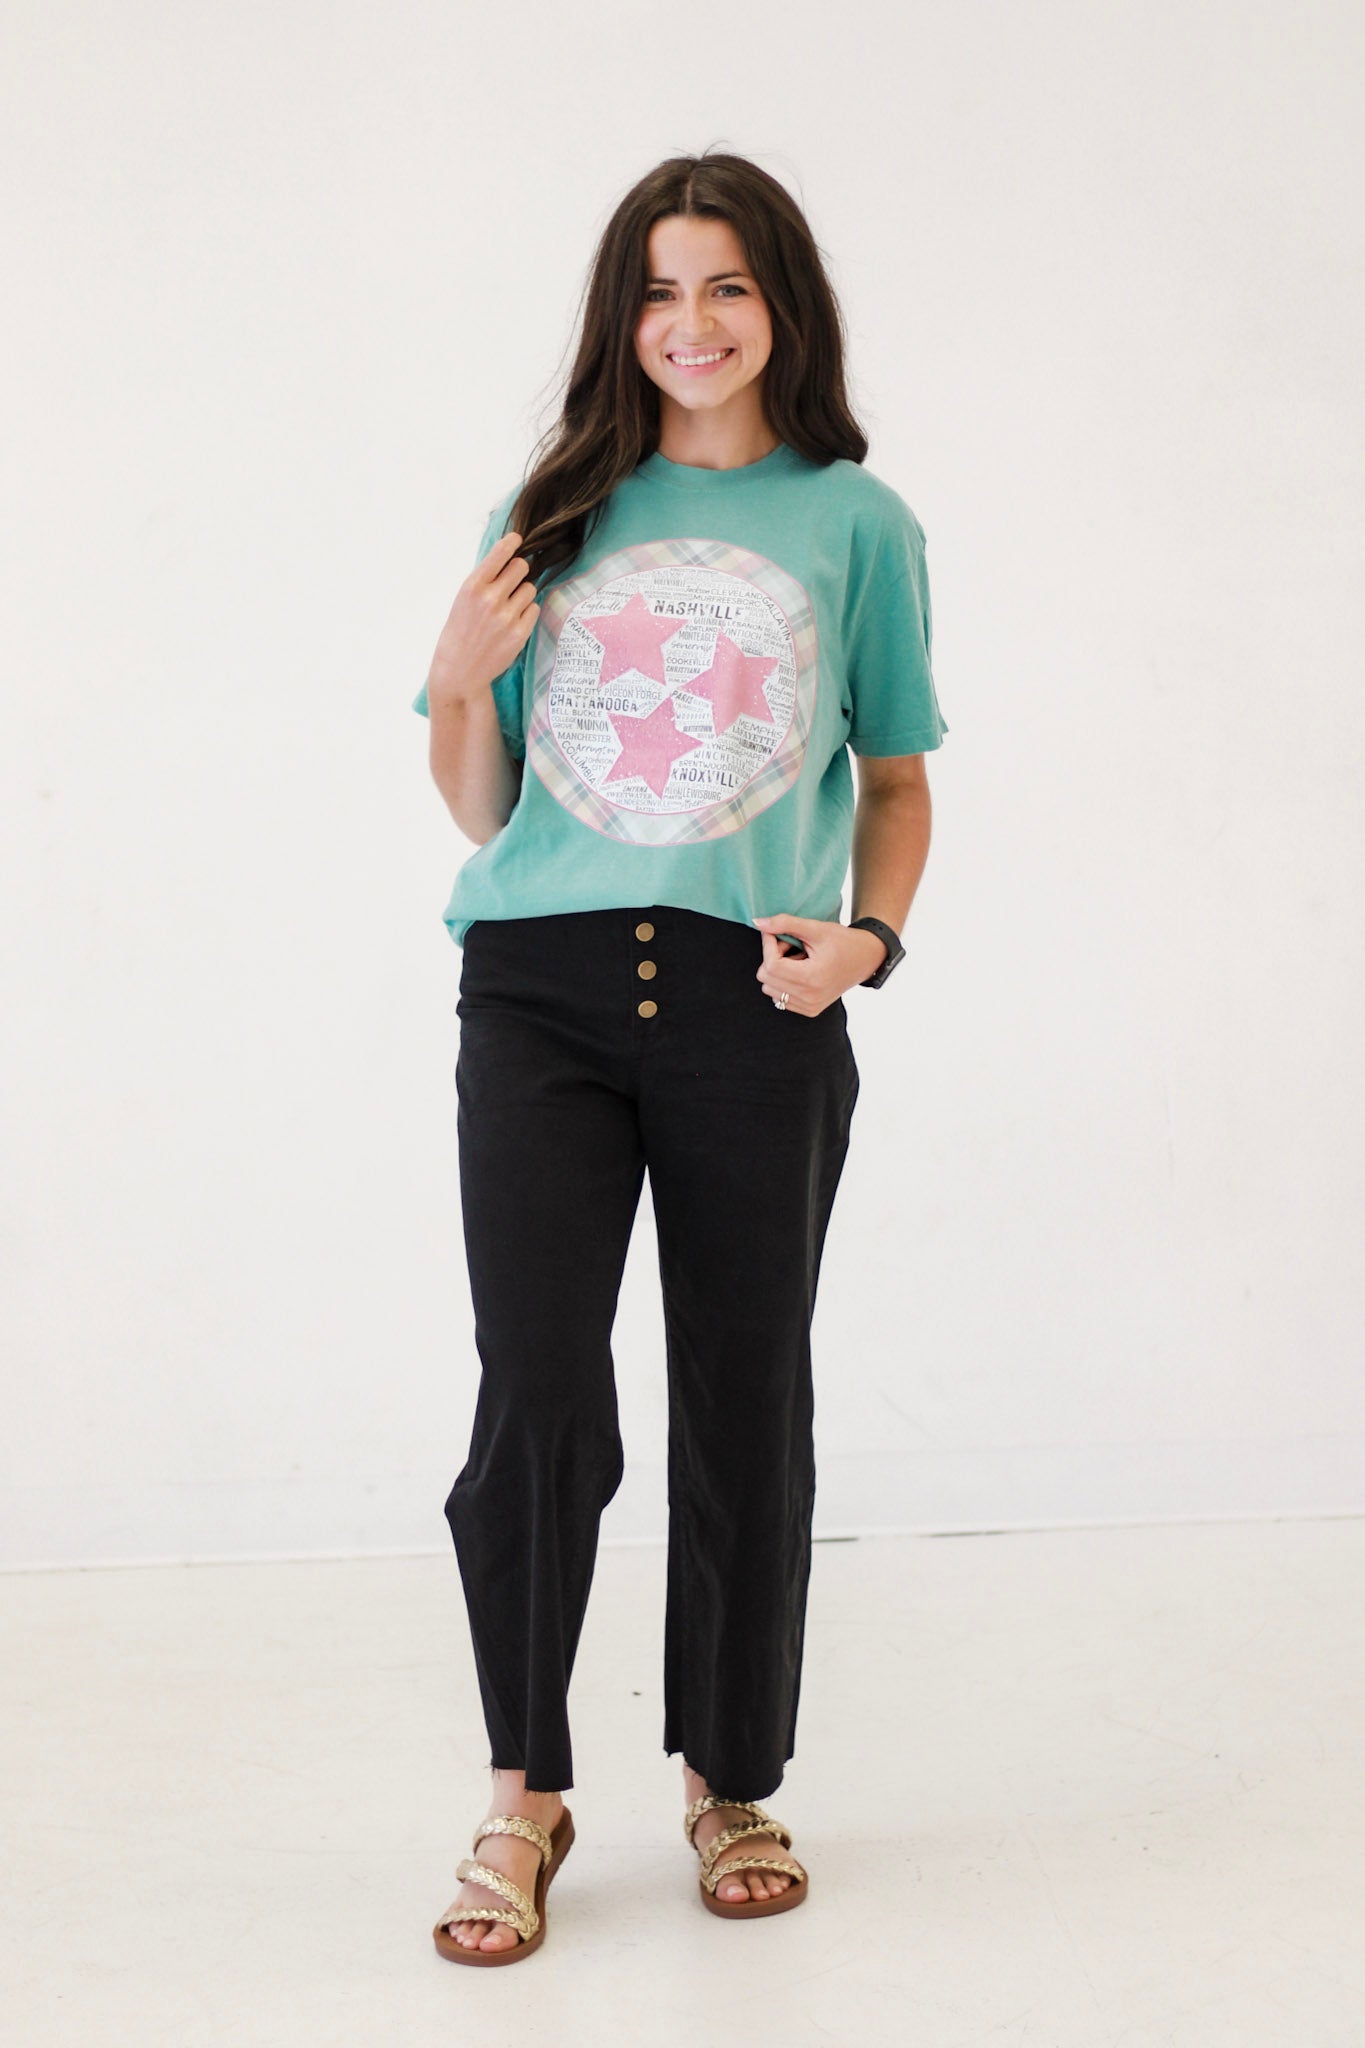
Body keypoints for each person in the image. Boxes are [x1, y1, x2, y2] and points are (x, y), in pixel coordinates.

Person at [414, 149, 948, 1963]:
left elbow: (893, 779)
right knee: (538, 1389)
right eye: (657, 290)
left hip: (753, 998)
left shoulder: (854, 524)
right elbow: (483, 804)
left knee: (744, 1394)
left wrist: (866, 942)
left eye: (725, 285)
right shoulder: (552, 506)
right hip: (541, 990)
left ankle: (732, 1778)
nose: (690, 323)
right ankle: (523, 1795)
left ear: (780, 306)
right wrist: (455, 676)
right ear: (618, 316)